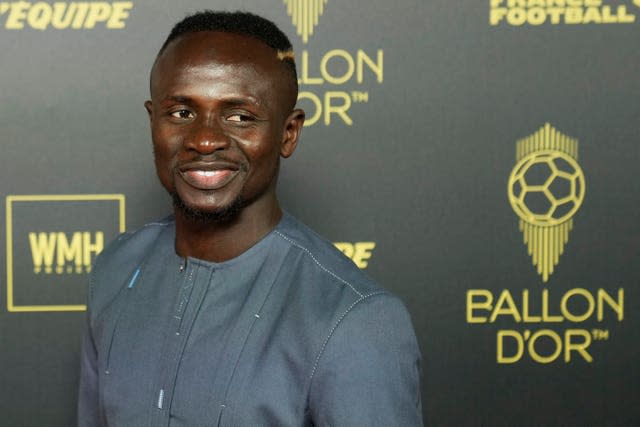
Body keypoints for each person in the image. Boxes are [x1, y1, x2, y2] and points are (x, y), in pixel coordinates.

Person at [78, 10, 422, 426]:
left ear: (288, 133)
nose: (205, 140)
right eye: (182, 113)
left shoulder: (353, 320)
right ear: (153, 120)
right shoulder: (117, 268)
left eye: (239, 116)